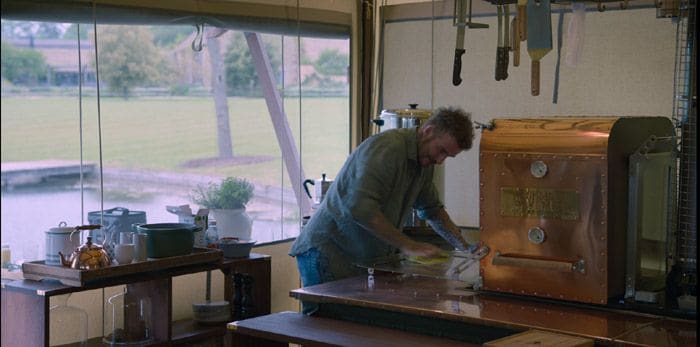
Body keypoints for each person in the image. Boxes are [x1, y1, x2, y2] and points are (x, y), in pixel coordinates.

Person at [289, 106, 478, 312]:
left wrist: (465, 246)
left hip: (358, 257)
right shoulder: (388, 149)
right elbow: (361, 208)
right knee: (326, 331)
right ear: (428, 131)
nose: (440, 160)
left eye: (448, 157)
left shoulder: (424, 164)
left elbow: (431, 209)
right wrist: (409, 245)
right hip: (328, 253)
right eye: (441, 150)